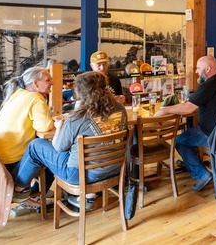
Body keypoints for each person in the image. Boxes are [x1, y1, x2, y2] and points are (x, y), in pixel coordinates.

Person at [10, 71, 128, 208]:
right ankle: (36, 190)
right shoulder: (120, 108)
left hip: (81, 175)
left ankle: (17, 188)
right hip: (114, 169)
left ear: (81, 93)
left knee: (35, 146)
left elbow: (58, 147)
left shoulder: (78, 117)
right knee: (70, 149)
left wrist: (59, 127)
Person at [153, 55, 216, 192]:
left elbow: (188, 108)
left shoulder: (208, 85)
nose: (196, 71)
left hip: (213, 134)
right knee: (189, 133)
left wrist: (164, 110)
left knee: (180, 140)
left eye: (198, 68)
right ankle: (190, 162)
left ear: (208, 69)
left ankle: (201, 174)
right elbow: (197, 103)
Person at [0, 66, 55, 171]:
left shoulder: (18, 93)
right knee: (51, 164)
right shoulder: (35, 98)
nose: (52, 83)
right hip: (11, 158)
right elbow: (44, 127)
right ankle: (22, 185)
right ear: (35, 84)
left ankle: (24, 186)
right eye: (48, 80)